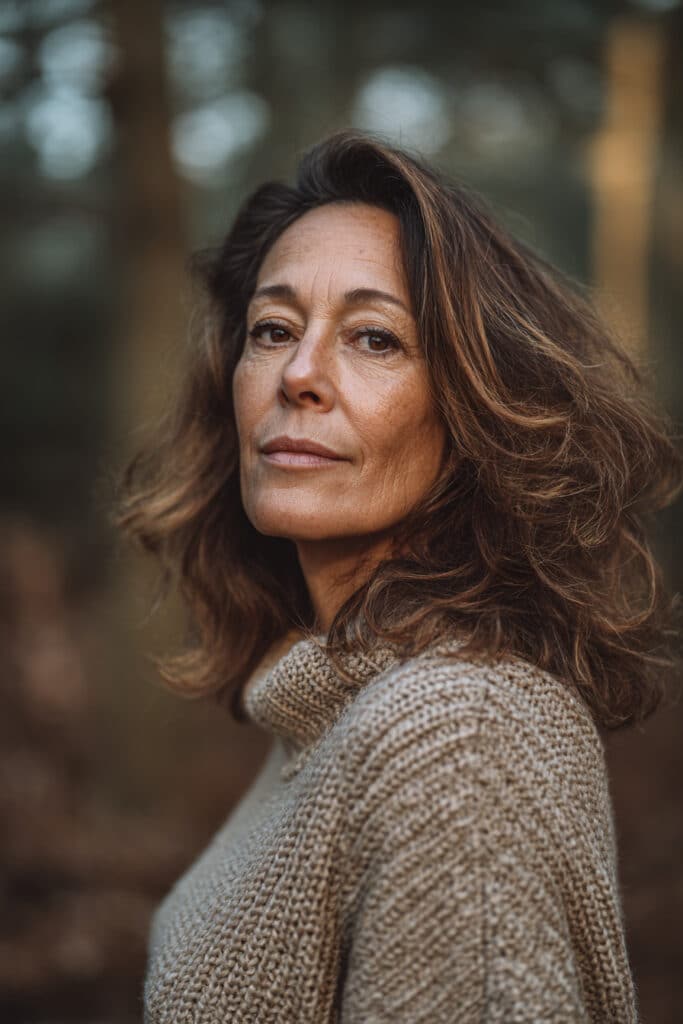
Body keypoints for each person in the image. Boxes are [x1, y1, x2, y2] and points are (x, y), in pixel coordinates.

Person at [115, 128, 682, 1022]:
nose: (298, 374)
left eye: (375, 339)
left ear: (476, 410)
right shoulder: (328, 707)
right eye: (272, 329)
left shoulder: (459, 739)